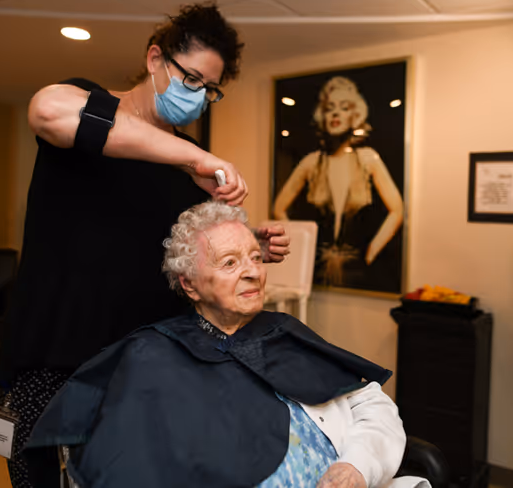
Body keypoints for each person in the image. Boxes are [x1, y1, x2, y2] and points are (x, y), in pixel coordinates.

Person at [0, 3, 289, 488]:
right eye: (190, 79)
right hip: (53, 357)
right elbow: (47, 110)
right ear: (155, 59)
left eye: (209, 90)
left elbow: (177, 256)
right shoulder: (90, 104)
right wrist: (196, 155)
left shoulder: (183, 174)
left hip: (139, 373)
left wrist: (250, 245)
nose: (197, 96)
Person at [26, 201, 429, 488]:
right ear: (189, 284)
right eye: (230, 263)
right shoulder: (151, 355)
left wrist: (357, 466)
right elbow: (124, 465)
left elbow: (372, 405)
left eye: (255, 257)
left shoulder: (286, 332)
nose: (253, 272)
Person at [272, 76, 403, 289]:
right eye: (330, 108)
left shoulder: (368, 158)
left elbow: (397, 210)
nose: (335, 113)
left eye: (344, 107)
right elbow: (279, 208)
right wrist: (298, 249)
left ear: (355, 116)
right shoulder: (312, 162)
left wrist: (371, 252)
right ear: (322, 116)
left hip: (358, 271)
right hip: (316, 269)